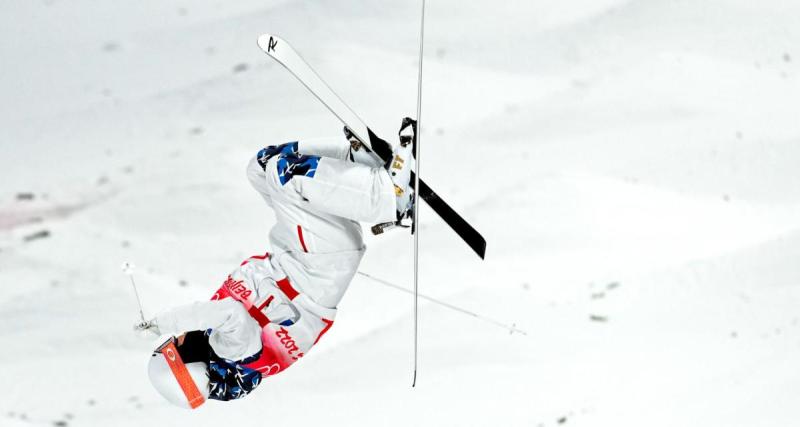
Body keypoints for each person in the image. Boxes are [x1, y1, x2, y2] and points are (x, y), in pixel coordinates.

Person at [135, 119, 417, 408]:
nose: (180, 335)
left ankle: (359, 161)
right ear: (189, 362)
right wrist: (165, 321)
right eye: (177, 343)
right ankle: (388, 198)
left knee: (261, 167)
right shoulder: (233, 351)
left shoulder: (226, 347)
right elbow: (230, 314)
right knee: (284, 175)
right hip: (319, 264)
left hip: (305, 254)